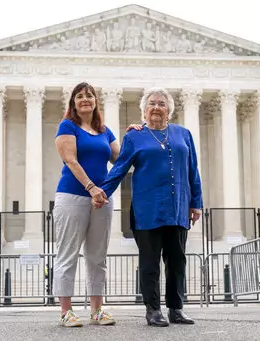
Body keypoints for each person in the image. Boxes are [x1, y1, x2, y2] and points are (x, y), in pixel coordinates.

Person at [92, 87, 202, 327]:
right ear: (143, 110)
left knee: (177, 261)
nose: (156, 107)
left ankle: (176, 308)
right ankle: (153, 310)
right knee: (150, 261)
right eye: (152, 103)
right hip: (147, 208)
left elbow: (193, 170)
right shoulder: (135, 137)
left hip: (178, 206)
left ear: (169, 111)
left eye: (162, 104)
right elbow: (120, 168)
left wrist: (196, 203)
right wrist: (101, 192)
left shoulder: (183, 134)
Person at [53, 82, 142, 327]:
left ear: (95, 101)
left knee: (97, 256)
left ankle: (97, 310)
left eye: (89, 95)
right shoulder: (67, 126)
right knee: (67, 254)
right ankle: (66, 311)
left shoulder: (104, 131)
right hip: (73, 195)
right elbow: (70, 160)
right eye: (80, 96)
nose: (85, 99)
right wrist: (92, 188)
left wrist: (136, 135)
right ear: (73, 102)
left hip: (101, 200)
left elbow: (122, 158)